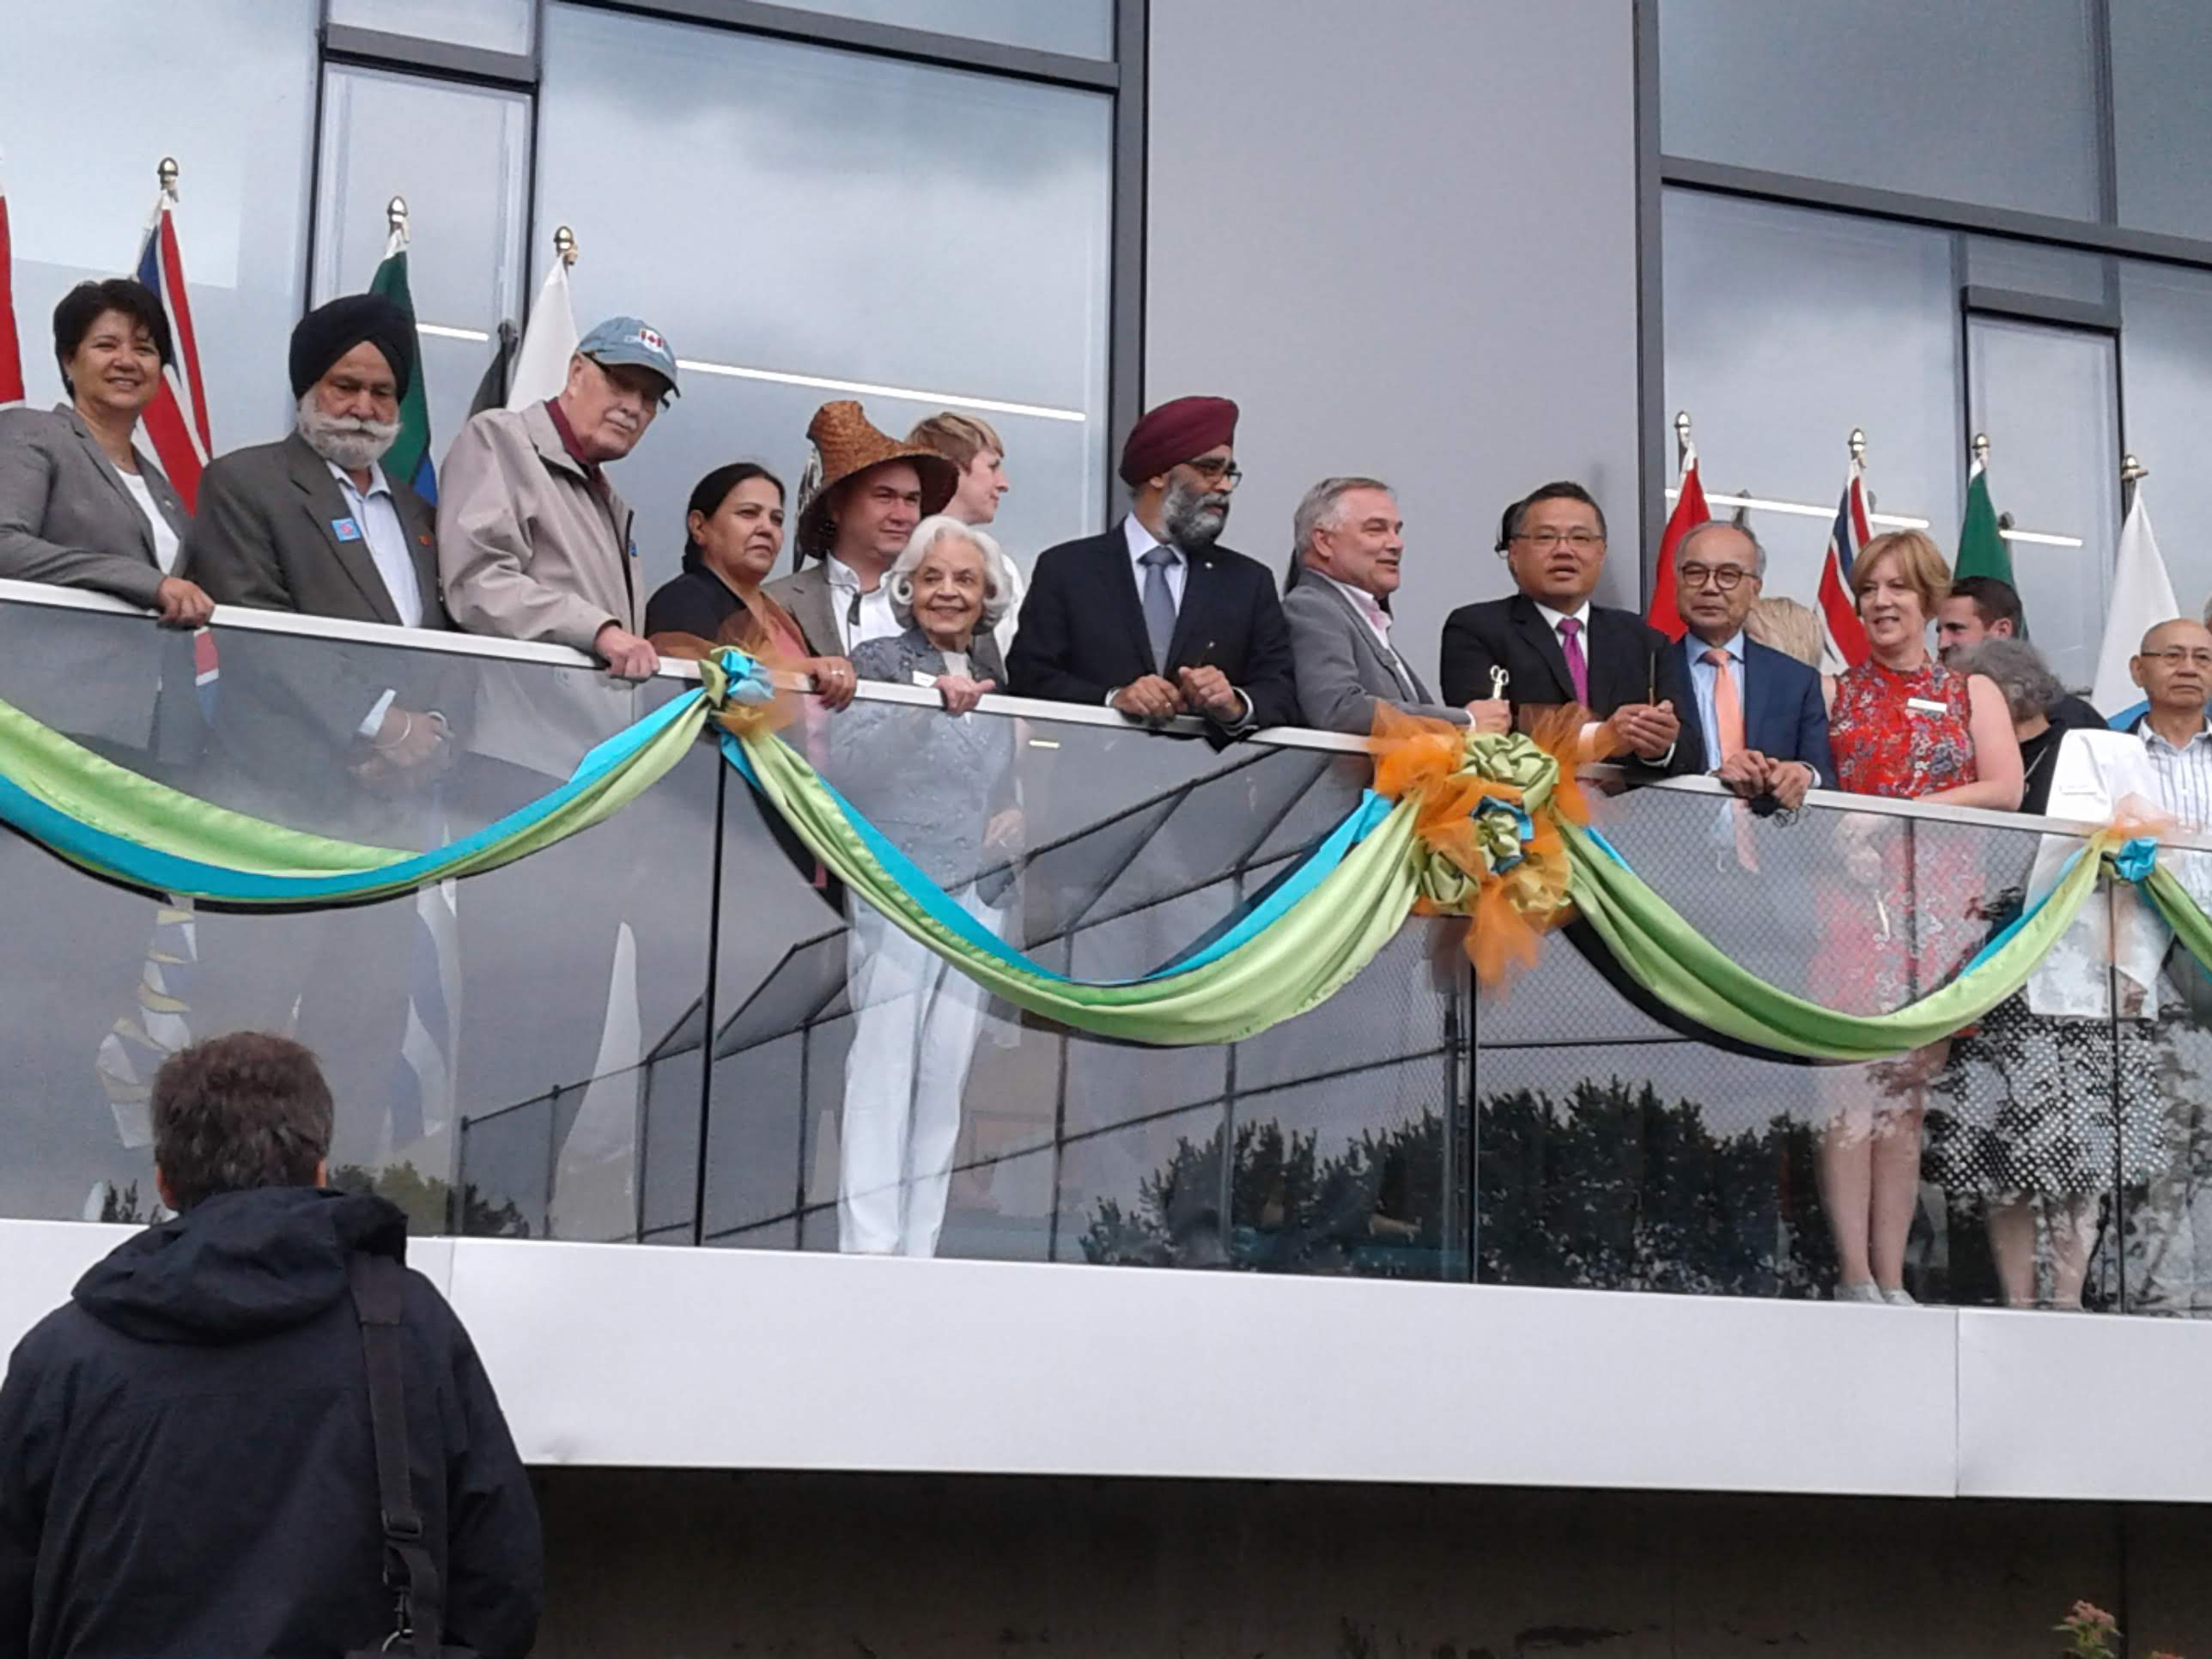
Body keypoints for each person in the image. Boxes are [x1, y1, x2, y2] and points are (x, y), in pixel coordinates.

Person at [0, 1032, 542, 1658]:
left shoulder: (60, 1358)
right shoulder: (407, 1325)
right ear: (320, 1171)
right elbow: (502, 1587)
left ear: (165, 1184)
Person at [1814, 529, 2023, 1305]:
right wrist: (1848, 834)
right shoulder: (1831, 691)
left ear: (1930, 599)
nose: (1881, 602)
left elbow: (2005, 789)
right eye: (1869, 589)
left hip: (1939, 907)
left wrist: (1896, 811)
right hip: (1852, 899)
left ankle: (1894, 1276)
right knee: (1847, 1089)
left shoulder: (1973, 692)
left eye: (1898, 587)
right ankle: (1853, 1274)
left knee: (1906, 1099)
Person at [1926, 635, 2161, 1310]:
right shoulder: (1969, 760)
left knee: (2084, 1155)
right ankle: (2019, 1300)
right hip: (1996, 976)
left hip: (2081, 978)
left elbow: (2139, 862)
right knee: (2005, 1156)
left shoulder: (2084, 750)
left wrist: (2130, 966)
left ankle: (2066, 1299)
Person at [181, 292, 458, 811]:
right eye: (345, 387)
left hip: (395, 801)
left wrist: (430, 738)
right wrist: (382, 725)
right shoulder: (244, 483)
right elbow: (257, 631)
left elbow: (449, 639)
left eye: (382, 392)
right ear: (308, 388)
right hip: (277, 792)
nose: (364, 408)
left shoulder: (419, 511)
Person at [836, 516, 1021, 1255]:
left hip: (977, 895)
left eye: (965, 580)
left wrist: (1011, 813)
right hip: (899, 885)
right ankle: (869, 1248)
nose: (949, 592)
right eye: (933, 577)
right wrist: (920, 715)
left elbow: (999, 781)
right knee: (884, 1065)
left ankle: (920, 1248)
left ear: (987, 596)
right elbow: (850, 766)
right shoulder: (879, 659)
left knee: (946, 1075)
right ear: (908, 589)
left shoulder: (995, 676)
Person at [1007, 394, 1297, 737]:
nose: (1223, 486)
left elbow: (1283, 693)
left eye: (1229, 473)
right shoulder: (1067, 570)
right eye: (1209, 469)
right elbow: (1029, 678)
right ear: (1158, 474)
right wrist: (1112, 699)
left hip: (1212, 771)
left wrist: (1234, 704)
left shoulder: (1247, 582)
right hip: (1092, 768)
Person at [439, 313, 679, 678]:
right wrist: (599, 631)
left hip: (586, 713)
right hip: (518, 711)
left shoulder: (603, 495)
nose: (633, 407)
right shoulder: (500, 439)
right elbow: (477, 585)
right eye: (621, 383)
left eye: (650, 398)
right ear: (577, 373)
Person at [1437, 480, 1694, 775]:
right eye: (1546, 537)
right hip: (1520, 802)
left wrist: (1659, 747)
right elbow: (1488, 733)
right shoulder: (1476, 629)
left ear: (1601, 553)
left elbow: (1691, 749)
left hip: (1628, 805)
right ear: (1514, 553)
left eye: (1580, 538)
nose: (1564, 550)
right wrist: (1603, 737)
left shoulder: (1644, 640)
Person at [0, 278, 211, 626]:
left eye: (144, 350)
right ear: (69, 361)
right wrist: (148, 583)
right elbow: (4, 544)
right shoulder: (33, 433)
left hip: (143, 661)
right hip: (49, 657)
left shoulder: (161, 488)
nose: (126, 361)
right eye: (106, 345)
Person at [643, 460, 855, 707]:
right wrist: (798, 672)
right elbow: (701, 697)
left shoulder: (780, 615)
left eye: (777, 519)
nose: (767, 528)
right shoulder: (684, 599)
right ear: (699, 526)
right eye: (748, 513)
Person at [765, 401, 958, 665]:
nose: (901, 515)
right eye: (884, 496)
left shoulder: (951, 602)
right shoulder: (776, 603)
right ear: (837, 506)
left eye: (912, 500)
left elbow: (990, 681)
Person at [1279, 475, 1473, 733]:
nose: (1396, 544)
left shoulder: (1355, 614)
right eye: (1376, 529)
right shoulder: (1311, 608)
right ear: (1324, 541)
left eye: (1396, 531)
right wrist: (1465, 721)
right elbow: (1339, 709)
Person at [1670, 520, 1832, 806]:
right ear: (1678, 582)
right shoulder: (1647, 669)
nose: (1710, 587)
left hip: (1769, 831)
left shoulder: (1796, 680)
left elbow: (1826, 779)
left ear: (1755, 590)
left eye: (1728, 575)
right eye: (1695, 573)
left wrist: (1804, 774)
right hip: (1672, 830)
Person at [910, 410, 1024, 659]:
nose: (1003, 484)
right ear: (953, 469)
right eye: (992, 467)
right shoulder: (897, 564)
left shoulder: (1002, 570)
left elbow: (1012, 664)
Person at [1936, 574, 2103, 730]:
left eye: (1955, 629)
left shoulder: (2071, 720)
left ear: (2002, 631)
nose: (1941, 644)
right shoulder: (1938, 711)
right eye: (1939, 631)